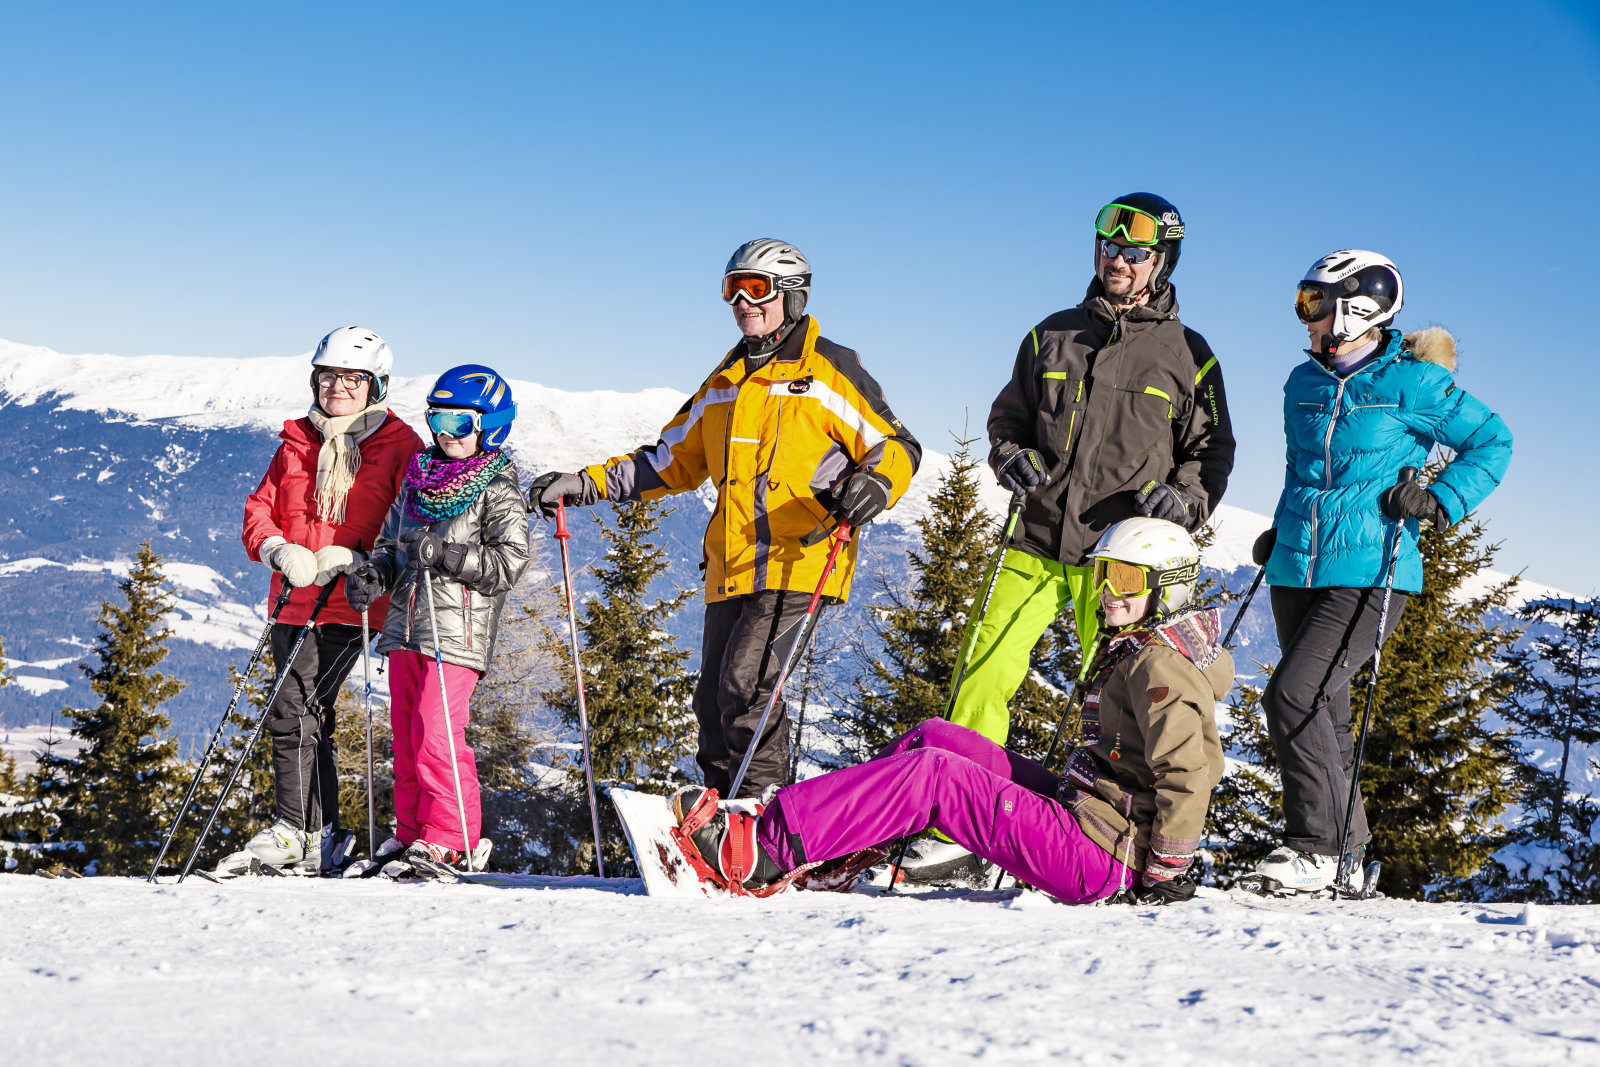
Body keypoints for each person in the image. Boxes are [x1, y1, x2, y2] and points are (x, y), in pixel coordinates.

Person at [905, 193, 1235, 881]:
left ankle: (1125, 834)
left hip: (1122, 562)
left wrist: (1186, 501)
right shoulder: (1050, 336)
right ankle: (957, 827)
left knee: (1128, 704)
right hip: (1036, 538)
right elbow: (1009, 420)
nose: (1116, 259)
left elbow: (1211, 451)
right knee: (984, 670)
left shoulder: (1189, 357)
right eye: (1108, 247)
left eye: (1133, 252)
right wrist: (1008, 457)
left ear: (1161, 261)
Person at [528, 239, 922, 799]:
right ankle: (718, 823)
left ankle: (761, 822)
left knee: (749, 688)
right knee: (712, 700)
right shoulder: (724, 381)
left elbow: (896, 444)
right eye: (731, 288)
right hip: (730, 564)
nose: (741, 300)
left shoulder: (829, 368)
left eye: (756, 288)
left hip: (799, 557)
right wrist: (584, 485)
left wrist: (877, 482)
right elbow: (669, 462)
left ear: (790, 295)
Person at [665, 517, 1233, 903]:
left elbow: (1189, 775)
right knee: (937, 738)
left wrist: (1162, 876)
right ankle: (831, 852)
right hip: (1088, 817)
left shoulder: (1158, 665)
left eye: (1127, 578)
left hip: (1105, 857)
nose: (1109, 590)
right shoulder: (1140, 648)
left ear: (1169, 586)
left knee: (935, 778)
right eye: (1104, 574)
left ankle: (760, 852)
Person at [1244, 250, 1512, 895]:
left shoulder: (1413, 383)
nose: (1302, 315)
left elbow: (1493, 439)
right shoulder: (1301, 383)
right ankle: (1351, 856)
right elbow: (1302, 471)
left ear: (1356, 308)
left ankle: (1313, 847)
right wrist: (1282, 527)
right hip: (1295, 569)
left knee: (1291, 696)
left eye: (1313, 302)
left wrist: (1441, 499)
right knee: (1325, 714)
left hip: (1372, 569)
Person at [224, 327, 422, 876]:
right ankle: (321, 831)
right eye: (329, 376)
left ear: (375, 385)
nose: (338, 387)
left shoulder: (400, 447)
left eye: (352, 379)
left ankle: (297, 830)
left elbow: (410, 524)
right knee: (307, 713)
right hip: (291, 595)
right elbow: (258, 508)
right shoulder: (296, 442)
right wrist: (276, 548)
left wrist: (356, 560)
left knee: (292, 708)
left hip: (350, 599)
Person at [344, 364, 530, 876]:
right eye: (437, 420)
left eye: (459, 423)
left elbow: (508, 564)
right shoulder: (419, 479)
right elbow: (389, 544)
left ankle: (453, 837)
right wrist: (374, 576)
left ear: (490, 426)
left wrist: (449, 555)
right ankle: (413, 835)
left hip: (457, 632)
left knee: (437, 734)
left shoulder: (498, 489)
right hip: (406, 627)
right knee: (405, 736)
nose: (445, 434)